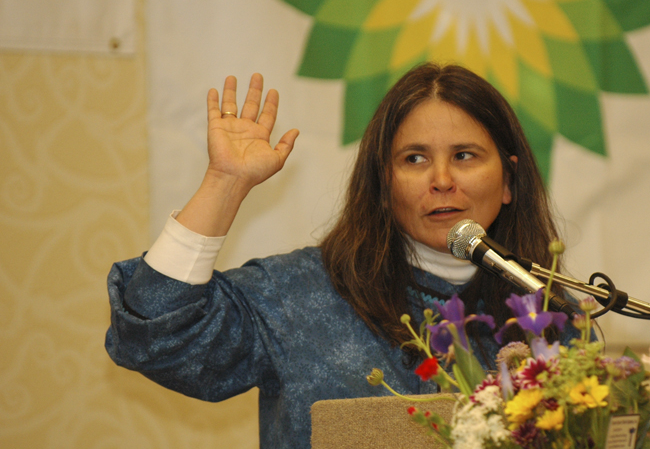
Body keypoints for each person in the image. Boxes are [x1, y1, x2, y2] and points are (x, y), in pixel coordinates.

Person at [105, 63, 581, 448]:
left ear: (509, 182)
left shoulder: (549, 314)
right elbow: (155, 335)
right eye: (414, 158)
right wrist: (224, 183)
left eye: (465, 155)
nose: (441, 179)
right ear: (383, 183)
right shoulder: (295, 293)